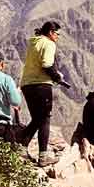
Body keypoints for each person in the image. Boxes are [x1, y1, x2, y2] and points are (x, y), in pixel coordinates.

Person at [18, 21, 72, 166]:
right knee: (45, 119)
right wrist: (57, 77)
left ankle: (21, 147)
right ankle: (43, 156)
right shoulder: (49, 43)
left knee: (37, 118)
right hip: (41, 85)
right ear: (51, 32)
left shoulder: (33, 42)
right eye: (57, 34)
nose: (58, 37)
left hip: (27, 84)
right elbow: (47, 64)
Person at [0, 50, 23, 144]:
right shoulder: (6, 79)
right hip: (0, 127)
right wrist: (17, 93)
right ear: (2, 64)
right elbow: (16, 102)